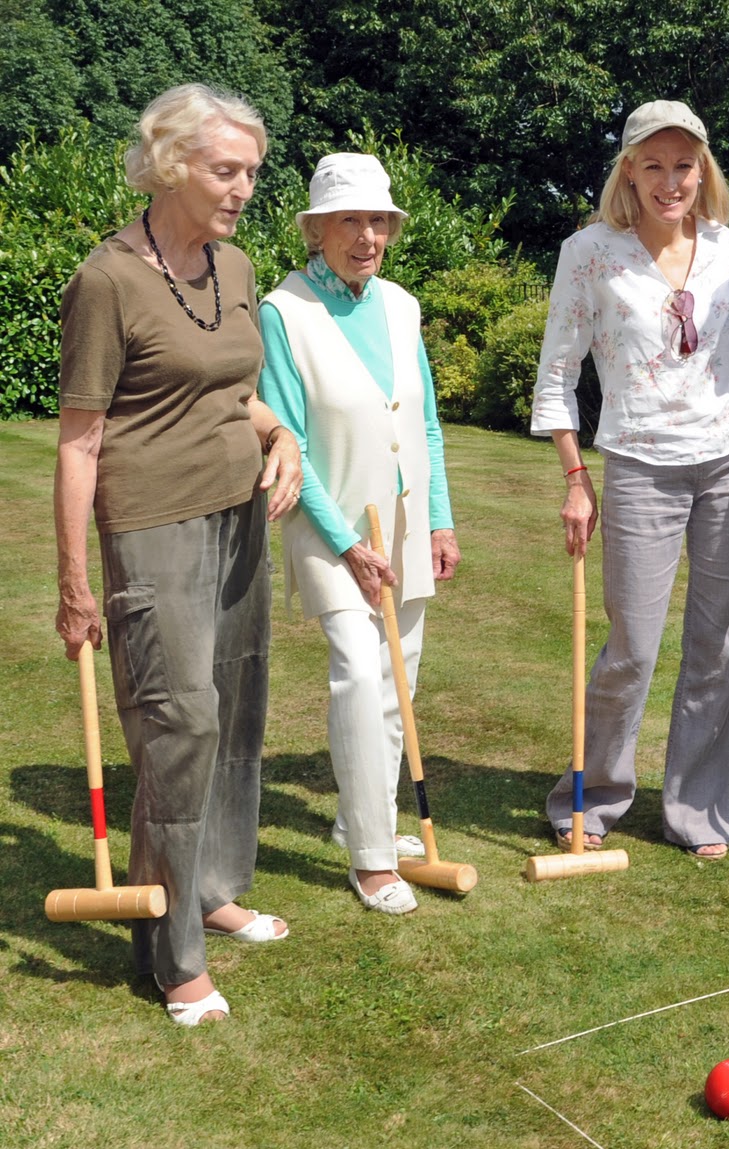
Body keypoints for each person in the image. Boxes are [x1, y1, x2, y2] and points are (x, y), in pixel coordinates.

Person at [53, 83, 303, 1025]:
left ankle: (211, 886)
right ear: (169, 165)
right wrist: (74, 582)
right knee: (180, 723)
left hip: (240, 515)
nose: (244, 188)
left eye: (252, 172)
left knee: (235, 706)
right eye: (226, 169)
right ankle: (171, 952)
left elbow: (236, 392)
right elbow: (79, 441)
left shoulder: (233, 266)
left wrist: (282, 436)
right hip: (154, 526)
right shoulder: (107, 280)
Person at [531, 100, 729, 859]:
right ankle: (593, 795)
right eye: (654, 166)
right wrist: (576, 476)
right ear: (629, 172)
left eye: (684, 165)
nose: (670, 181)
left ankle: (696, 812)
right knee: (633, 647)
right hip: (640, 463)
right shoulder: (589, 253)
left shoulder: (726, 246)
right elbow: (558, 372)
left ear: (702, 170)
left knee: (718, 647)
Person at [258, 154, 460, 916]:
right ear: (316, 230)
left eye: (379, 220)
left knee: (397, 680)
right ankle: (372, 858)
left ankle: (361, 815)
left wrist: (439, 517)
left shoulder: (402, 306)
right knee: (356, 667)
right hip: (327, 525)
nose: (368, 236)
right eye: (350, 220)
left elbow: (426, 424)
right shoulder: (283, 312)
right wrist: (345, 543)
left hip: (402, 525)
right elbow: (289, 442)